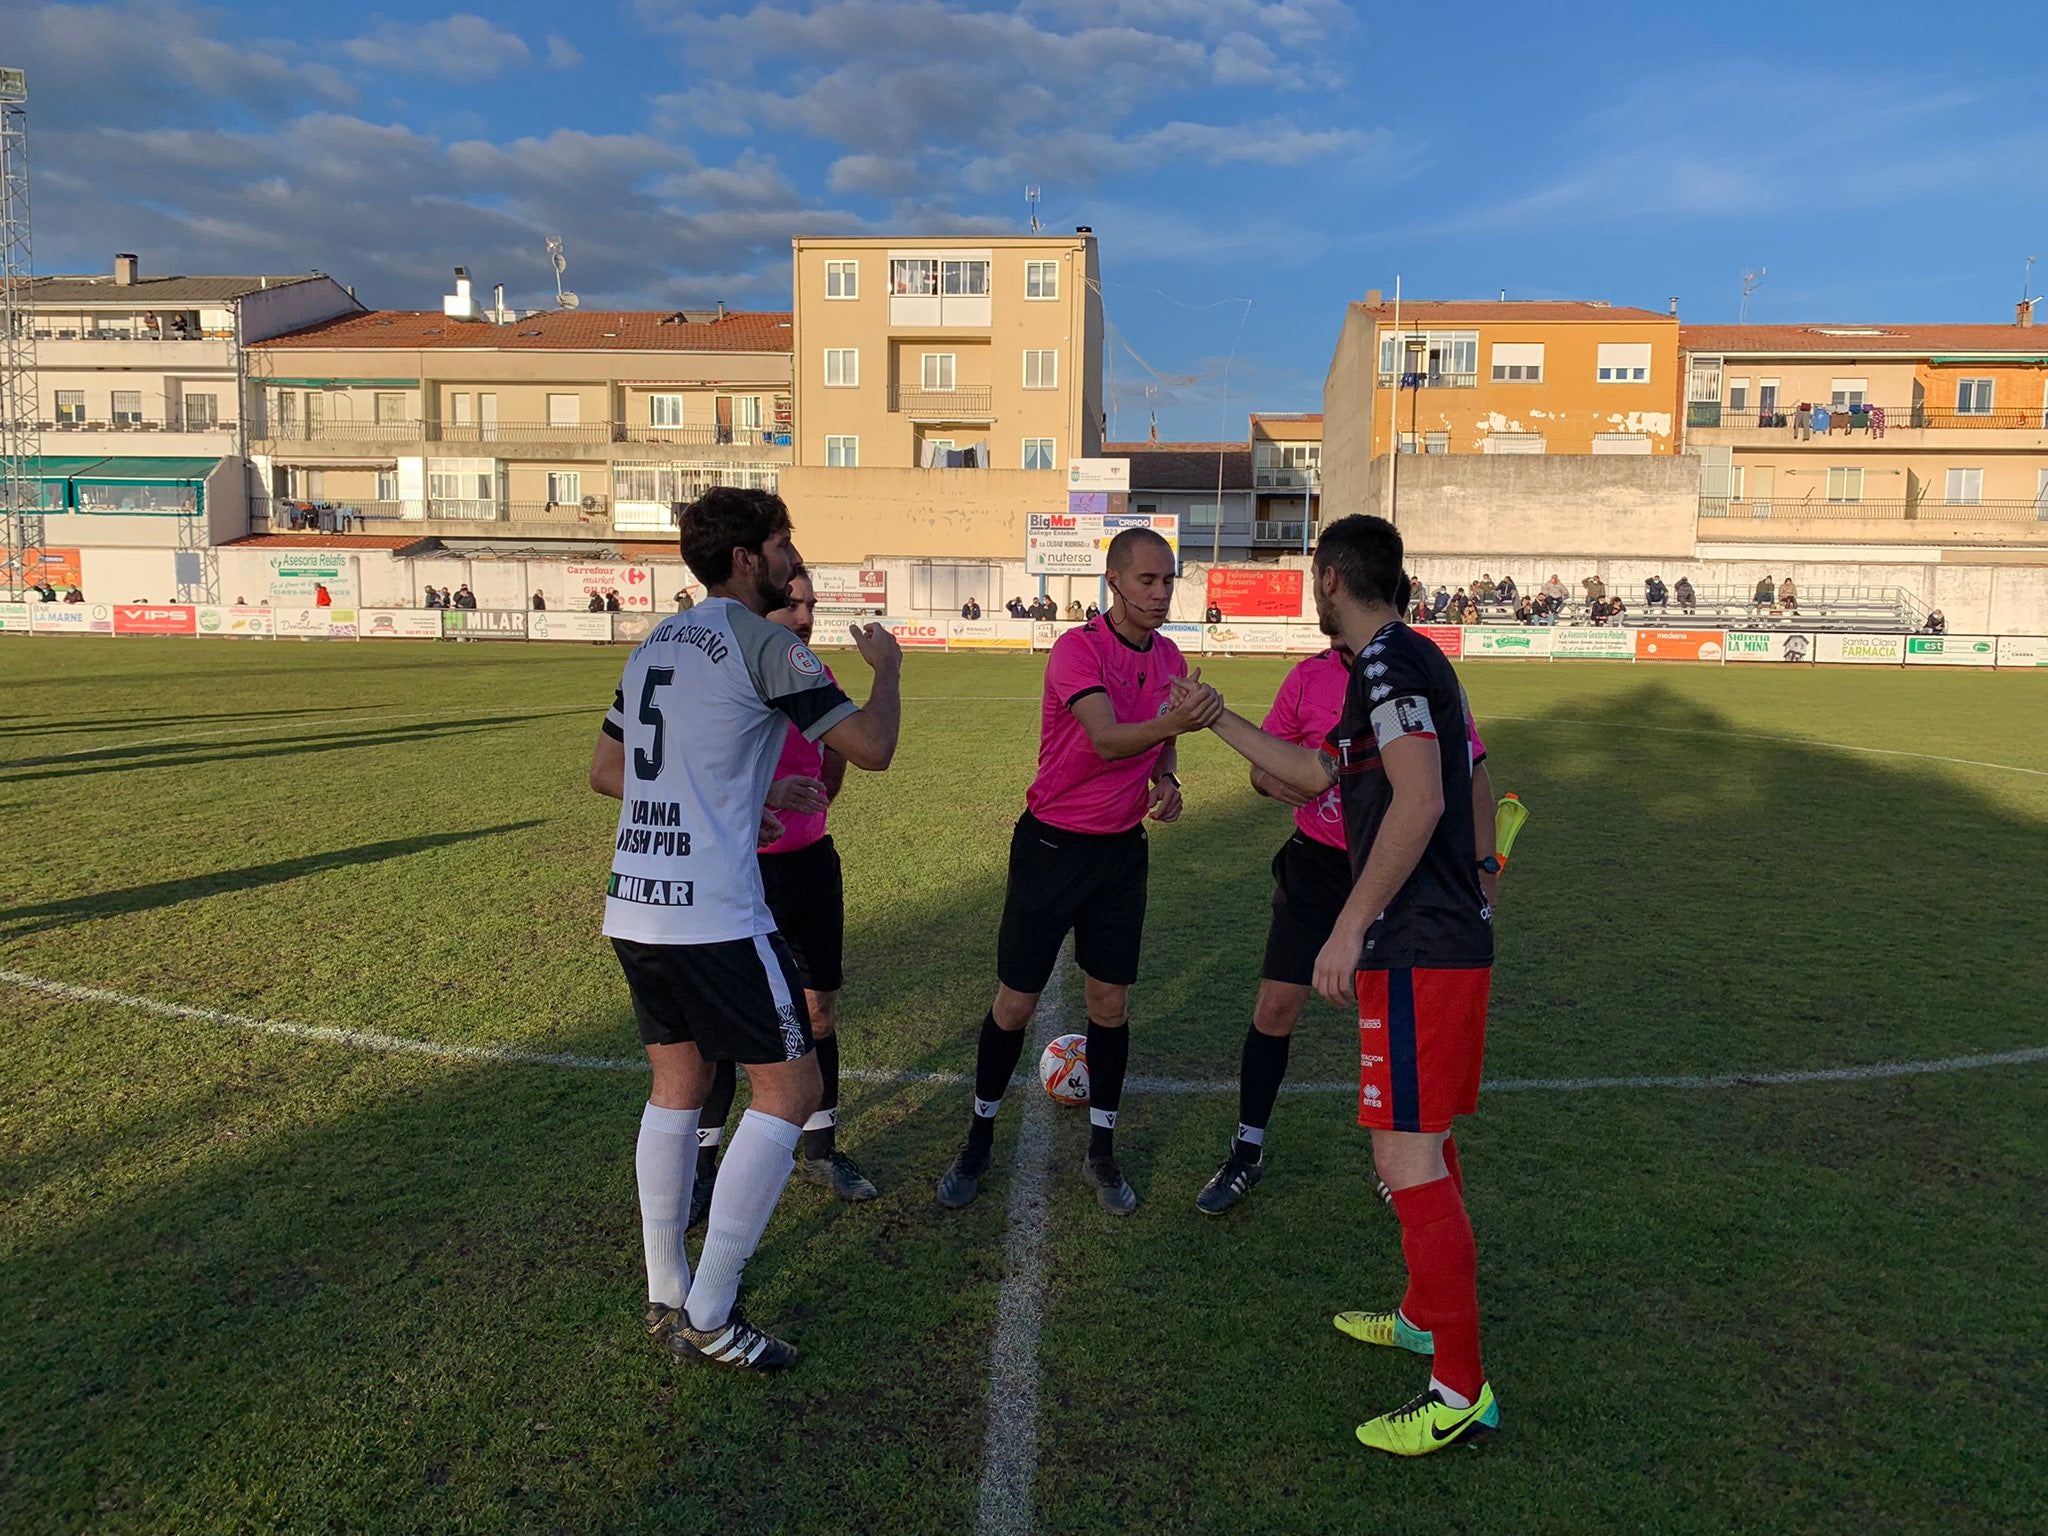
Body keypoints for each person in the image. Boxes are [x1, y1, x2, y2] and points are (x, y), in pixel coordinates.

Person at [1174, 512, 1499, 1456]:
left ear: (1330, 580)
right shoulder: (1390, 662)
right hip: (1432, 941)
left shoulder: (1391, 661)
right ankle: (1426, 1318)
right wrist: (1219, 719)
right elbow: (1319, 772)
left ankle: (1461, 1390)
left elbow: (1425, 796)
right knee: (1422, 1145)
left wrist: (1350, 924)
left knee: (1407, 1162)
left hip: (1415, 946)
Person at [591, 485, 903, 1373]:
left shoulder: (658, 641)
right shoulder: (764, 642)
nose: (790, 559)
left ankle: (664, 1292)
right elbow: (871, 751)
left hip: (636, 901)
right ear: (744, 559)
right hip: (714, 913)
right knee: (790, 1092)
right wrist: (887, 671)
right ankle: (713, 1311)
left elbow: (610, 770)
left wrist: (745, 799)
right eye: (781, 543)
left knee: (677, 1088)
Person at [934, 528, 1221, 1217]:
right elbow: (1107, 736)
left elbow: (1158, 737)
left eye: (1168, 581)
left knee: (1110, 1005)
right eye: (1147, 581)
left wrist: (1169, 777)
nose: (1159, 593)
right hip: (1052, 849)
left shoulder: (1172, 655)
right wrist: (1174, 724)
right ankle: (978, 1138)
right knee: (1016, 1003)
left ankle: (1102, 1151)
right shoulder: (1076, 650)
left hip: (1121, 856)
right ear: (1115, 581)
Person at [1195, 584, 1498, 1219]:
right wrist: (1280, 783)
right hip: (1316, 866)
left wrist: (1484, 862)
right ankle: (1247, 1150)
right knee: (1277, 1006)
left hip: (1391, 874)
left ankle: (1404, 1160)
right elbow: (1275, 767)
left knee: (1394, 1021)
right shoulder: (1308, 679)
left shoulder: (1403, 672)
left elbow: (1468, 769)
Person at [692, 568, 875, 1222]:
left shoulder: (814, 675)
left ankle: (821, 1150)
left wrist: (824, 777)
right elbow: (697, 770)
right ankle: (702, 1168)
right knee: (720, 1029)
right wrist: (766, 792)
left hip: (811, 869)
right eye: (792, 604)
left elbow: (837, 763)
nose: (804, 617)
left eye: (811, 606)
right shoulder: (730, 679)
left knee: (819, 1012)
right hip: (742, 871)